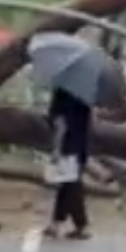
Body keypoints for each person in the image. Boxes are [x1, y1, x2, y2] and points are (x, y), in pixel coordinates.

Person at [44, 88, 92, 240]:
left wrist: (56, 147)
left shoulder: (62, 93)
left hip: (67, 144)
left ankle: (81, 224)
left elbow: (60, 123)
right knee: (66, 183)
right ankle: (56, 222)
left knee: (71, 185)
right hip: (81, 143)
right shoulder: (85, 92)